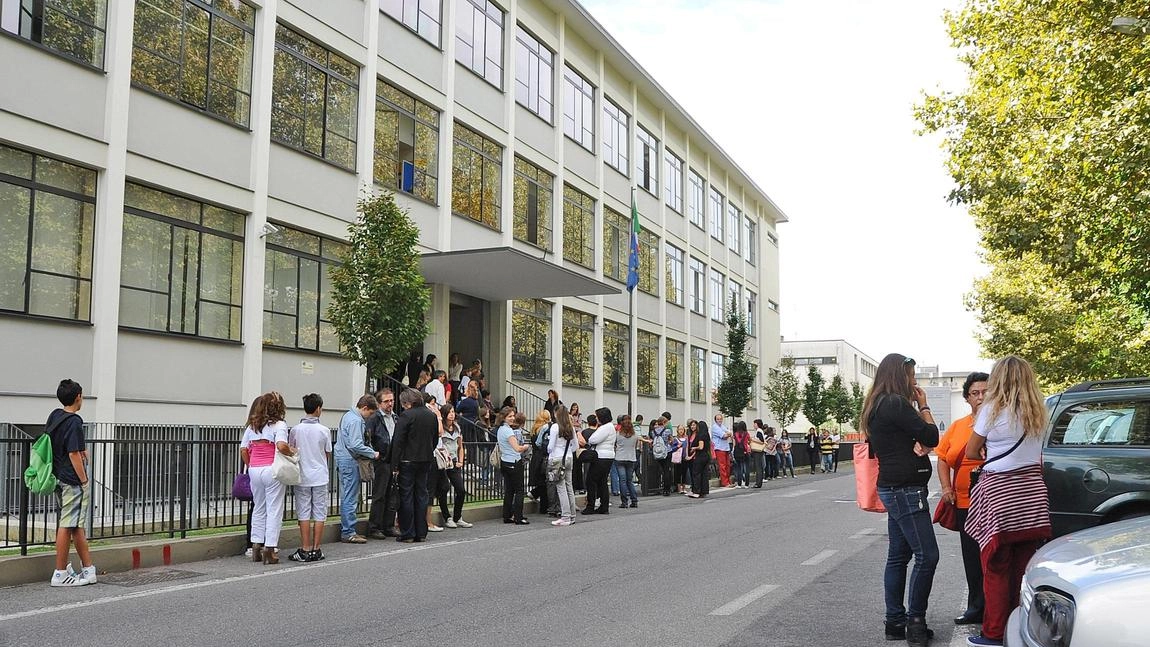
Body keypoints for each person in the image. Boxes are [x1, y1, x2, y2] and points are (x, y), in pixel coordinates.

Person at [963, 357, 1051, 647]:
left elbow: (972, 452)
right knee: (1023, 565)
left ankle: (994, 632)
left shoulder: (992, 409)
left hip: (1001, 494)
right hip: (1032, 494)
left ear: (999, 379)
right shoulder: (1039, 410)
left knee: (995, 566)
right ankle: (1021, 629)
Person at [861, 353, 940, 646]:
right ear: (899, 375)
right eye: (911, 375)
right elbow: (932, 436)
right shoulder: (895, 403)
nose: (915, 381)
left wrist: (913, 443)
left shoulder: (877, 405)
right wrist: (924, 405)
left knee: (898, 556)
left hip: (893, 486)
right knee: (928, 555)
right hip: (906, 489)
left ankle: (894, 620)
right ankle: (915, 622)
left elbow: (899, 441)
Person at [936, 371, 990, 627]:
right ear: (967, 398)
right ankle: (976, 607)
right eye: (975, 393)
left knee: (994, 556)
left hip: (993, 500)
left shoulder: (1001, 422)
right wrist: (946, 487)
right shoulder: (958, 426)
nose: (980, 397)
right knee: (971, 557)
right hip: (965, 501)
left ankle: (997, 607)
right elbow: (944, 459)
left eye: (985, 392)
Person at [46, 379, 96, 586]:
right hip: (71, 480)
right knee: (68, 525)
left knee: (75, 525)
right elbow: (74, 453)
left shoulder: (55, 416)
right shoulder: (75, 421)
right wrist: (84, 479)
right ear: (78, 397)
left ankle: (88, 569)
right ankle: (59, 573)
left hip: (57, 476)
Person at [242, 392, 294, 564]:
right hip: (272, 469)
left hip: (255, 469)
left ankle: (256, 544)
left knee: (259, 507)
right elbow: (281, 445)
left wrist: (250, 465)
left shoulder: (252, 426)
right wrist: (292, 452)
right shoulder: (279, 424)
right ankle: (270, 548)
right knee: (274, 509)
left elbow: (243, 449)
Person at [391, 388, 439, 542]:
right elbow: (434, 440)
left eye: (404, 404)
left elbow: (398, 441)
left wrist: (394, 464)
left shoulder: (406, 416)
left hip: (407, 460)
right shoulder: (431, 416)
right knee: (421, 495)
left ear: (408, 403)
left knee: (407, 496)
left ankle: (408, 532)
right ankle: (421, 531)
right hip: (425, 459)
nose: (403, 406)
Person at [288, 393, 332, 562]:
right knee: (320, 512)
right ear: (319, 408)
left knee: (304, 511)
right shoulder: (324, 430)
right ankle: (317, 548)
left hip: (302, 475)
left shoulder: (296, 430)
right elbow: (327, 452)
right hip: (320, 475)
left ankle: (305, 548)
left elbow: (292, 449)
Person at [335, 395, 379, 544]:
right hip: (350, 460)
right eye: (370, 413)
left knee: (347, 495)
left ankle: (347, 529)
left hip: (343, 458)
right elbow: (356, 445)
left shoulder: (347, 416)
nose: (370, 417)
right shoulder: (355, 421)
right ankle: (348, 531)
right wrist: (373, 453)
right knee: (350, 497)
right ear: (365, 408)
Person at [366, 388, 399, 539]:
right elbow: (368, 438)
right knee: (379, 494)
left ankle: (388, 525)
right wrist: (375, 455)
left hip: (393, 460)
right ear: (379, 404)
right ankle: (375, 526)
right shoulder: (374, 419)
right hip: (381, 459)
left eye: (391, 400)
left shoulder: (395, 418)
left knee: (392, 494)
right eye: (386, 401)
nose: (390, 404)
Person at [435, 404, 471, 529]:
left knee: (461, 489)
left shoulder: (457, 428)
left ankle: (457, 516)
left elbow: (460, 446)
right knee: (443, 489)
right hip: (444, 462)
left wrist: (461, 460)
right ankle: (447, 517)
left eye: (453, 411)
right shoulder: (440, 428)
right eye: (449, 412)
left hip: (454, 462)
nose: (452, 414)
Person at [547, 405, 580, 526]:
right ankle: (572, 515)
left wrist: (552, 450)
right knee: (569, 487)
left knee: (560, 488)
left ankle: (565, 516)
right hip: (569, 457)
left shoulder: (555, 427)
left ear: (556, 414)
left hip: (557, 458)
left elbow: (550, 447)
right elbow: (576, 446)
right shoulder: (570, 427)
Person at [496, 410, 530, 524]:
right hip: (514, 462)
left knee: (509, 490)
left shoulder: (500, 430)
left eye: (513, 416)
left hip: (504, 461)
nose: (512, 418)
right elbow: (517, 448)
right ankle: (518, 517)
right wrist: (526, 446)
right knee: (519, 490)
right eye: (509, 416)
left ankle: (507, 516)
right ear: (503, 417)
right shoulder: (508, 431)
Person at [583, 407, 617, 514]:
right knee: (602, 482)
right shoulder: (610, 427)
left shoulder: (604, 428)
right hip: (609, 456)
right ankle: (604, 506)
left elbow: (593, 439)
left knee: (591, 481)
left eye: (597, 416)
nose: (596, 418)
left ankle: (590, 506)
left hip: (601, 457)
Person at [614, 415, 641, 508]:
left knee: (622, 480)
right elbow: (635, 446)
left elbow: (615, 445)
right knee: (629, 481)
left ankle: (624, 502)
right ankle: (634, 500)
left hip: (620, 458)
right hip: (631, 458)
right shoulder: (635, 435)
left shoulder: (618, 434)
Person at [649, 416, 674, 496]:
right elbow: (671, 440)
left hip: (657, 452)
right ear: (664, 422)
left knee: (661, 469)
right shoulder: (667, 431)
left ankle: (660, 486)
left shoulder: (653, 431)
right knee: (667, 470)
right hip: (667, 451)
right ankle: (667, 489)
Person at [687, 418, 712, 498]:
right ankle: (703, 491)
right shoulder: (707, 435)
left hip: (700, 456)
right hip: (706, 456)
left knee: (696, 473)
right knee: (704, 475)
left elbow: (701, 447)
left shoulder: (701, 435)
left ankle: (696, 491)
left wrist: (694, 448)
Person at [711, 413, 732, 487]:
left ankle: (729, 481)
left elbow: (730, 433)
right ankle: (725, 482)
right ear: (715, 420)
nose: (719, 420)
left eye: (720, 419)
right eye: (718, 419)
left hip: (726, 448)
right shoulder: (715, 427)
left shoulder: (722, 426)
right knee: (722, 466)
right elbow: (724, 436)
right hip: (719, 448)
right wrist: (727, 434)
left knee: (728, 465)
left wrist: (727, 434)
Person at [731, 421, 751, 488]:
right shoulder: (746, 433)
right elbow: (749, 441)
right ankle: (746, 484)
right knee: (746, 468)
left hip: (737, 452)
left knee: (739, 468)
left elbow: (734, 444)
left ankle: (739, 484)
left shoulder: (735, 434)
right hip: (745, 452)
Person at [671, 424, 690, 493]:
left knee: (684, 473)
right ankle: (679, 488)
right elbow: (672, 448)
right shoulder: (675, 439)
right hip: (677, 458)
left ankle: (684, 487)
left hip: (684, 458)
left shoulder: (687, 438)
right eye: (679, 429)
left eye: (682, 429)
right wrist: (677, 446)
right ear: (677, 430)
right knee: (677, 473)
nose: (681, 431)